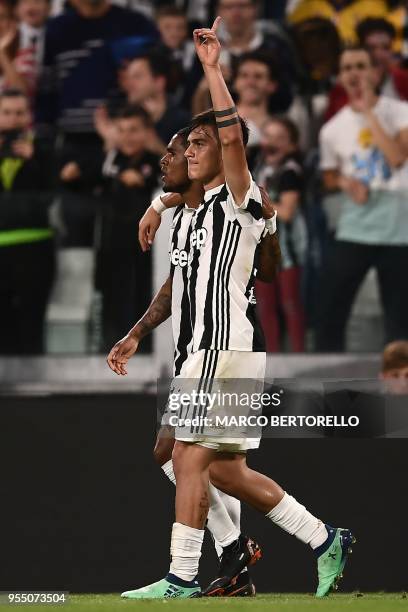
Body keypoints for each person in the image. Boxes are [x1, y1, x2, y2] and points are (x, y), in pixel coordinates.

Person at [109, 18, 354, 600]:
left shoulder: (241, 200)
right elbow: (176, 283)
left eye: (199, 143)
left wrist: (214, 69)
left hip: (229, 347)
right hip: (199, 352)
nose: (190, 151)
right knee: (208, 465)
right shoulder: (189, 214)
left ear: (222, 149)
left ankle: (182, 577)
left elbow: (231, 138)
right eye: (185, 144)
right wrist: (137, 332)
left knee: (191, 456)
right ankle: (321, 538)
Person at [316, 46, 408, 352]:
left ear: (375, 72)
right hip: (357, 221)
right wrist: (344, 181)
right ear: (340, 77)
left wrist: (369, 111)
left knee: (398, 316)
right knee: (331, 306)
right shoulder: (331, 129)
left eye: (361, 65)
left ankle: (399, 388)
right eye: (347, 68)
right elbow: (328, 174)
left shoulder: (401, 112)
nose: (354, 73)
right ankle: (328, 380)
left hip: (398, 222)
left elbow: (396, 157)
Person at [60, 104, 159, 351]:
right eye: (122, 130)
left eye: (134, 130)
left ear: (147, 132)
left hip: (145, 253)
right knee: (109, 305)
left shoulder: (159, 164)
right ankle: (110, 356)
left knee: (142, 305)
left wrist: (138, 181)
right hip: (109, 248)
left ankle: (146, 360)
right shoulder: (108, 160)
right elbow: (73, 176)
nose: (127, 136)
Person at [0, 88, 55, 354]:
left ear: (29, 116)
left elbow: (56, 190)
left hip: (35, 246)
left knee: (32, 319)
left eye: (19, 113)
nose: (13, 119)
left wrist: (33, 160)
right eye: (6, 113)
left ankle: (33, 389)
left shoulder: (45, 149)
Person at [253, 117, 307, 352]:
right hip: (260, 250)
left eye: (280, 138)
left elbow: (286, 212)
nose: (271, 143)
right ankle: (271, 358)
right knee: (264, 306)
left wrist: (252, 203)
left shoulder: (290, 172)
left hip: (287, 251)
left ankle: (298, 356)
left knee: (289, 304)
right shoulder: (257, 167)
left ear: (291, 146)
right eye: (268, 136)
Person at [325, 18, 408, 121]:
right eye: (371, 48)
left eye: (386, 47)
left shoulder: (404, 80)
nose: (379, 55)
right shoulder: (341, 90)